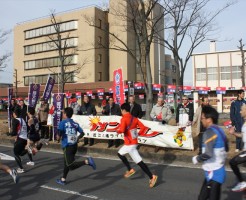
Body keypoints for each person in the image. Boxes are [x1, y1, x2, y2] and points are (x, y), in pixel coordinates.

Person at [117, 103, 158, 188]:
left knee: (139, 162)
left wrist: (118, 130)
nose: (121, 112)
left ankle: (151, 176)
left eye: (121, 110)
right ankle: (130, 169)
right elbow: (143, 127)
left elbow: (122, 129)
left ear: (123, 110)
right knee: (120, 153)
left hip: (130, 145)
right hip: (133, 142)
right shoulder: (134, 118)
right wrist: (138, 133)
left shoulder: (123, 119)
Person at [192, 106, 228, 200]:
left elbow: (208, 154)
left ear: (209, 119)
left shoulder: (209, 132)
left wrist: (196, 159)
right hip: (217, 171)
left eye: (202, 118)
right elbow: (226, 148)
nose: (201, 120)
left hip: (214, 173)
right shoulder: (220, 130)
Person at [56, 107, 96, 185]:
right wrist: (77, 138)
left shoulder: (62, 123)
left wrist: (58, 138)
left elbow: (59, 132)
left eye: (63, 113)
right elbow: (82, 133)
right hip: (74, 146)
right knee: (66, 163)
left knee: (70, 165)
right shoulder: (75, 123)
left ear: (65, 114)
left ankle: (87, 162)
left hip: (67, 146)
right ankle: (63, 179)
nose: (62, 114)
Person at [228, 104, 246, 192]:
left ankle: (242, 182)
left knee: (232, 162)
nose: (240, 111)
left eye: (242, 110)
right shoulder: (245, 123)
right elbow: (243, 135)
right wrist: (234, 133)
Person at [12, 108, 33, 173]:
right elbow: (26, 128)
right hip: (25, 138)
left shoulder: (15, 120)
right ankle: (27, 149)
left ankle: (21, 168)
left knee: (15, 153)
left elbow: (14, 132)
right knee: (20, 153)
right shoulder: (22, 120)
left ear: (14, 114)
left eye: (13, 113)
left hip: (20, 138)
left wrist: (8, 133)